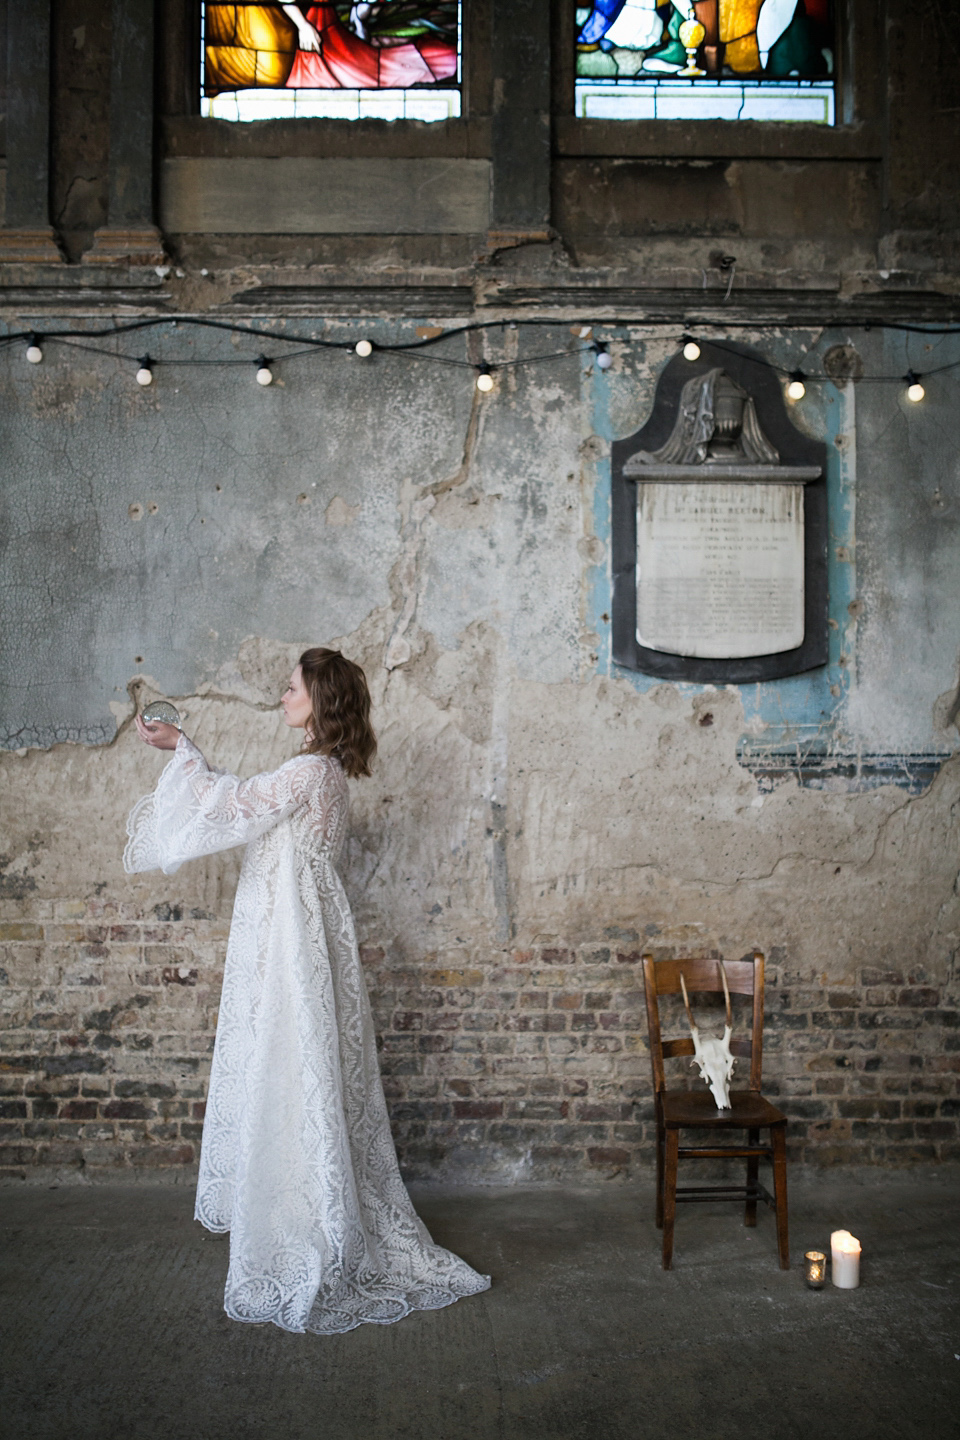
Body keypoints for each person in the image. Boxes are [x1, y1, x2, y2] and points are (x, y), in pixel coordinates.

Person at [124, 648, 489, 1334]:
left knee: (294, 1066)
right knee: (302, 1070)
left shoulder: (308, 771)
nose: (283, 692)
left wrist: (182, 748)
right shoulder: (321, 773)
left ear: (319, 700)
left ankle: (305, 1218)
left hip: (296, 945)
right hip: (301, 937)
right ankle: (302, 1198)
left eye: (292, 686)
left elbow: (229, 805)